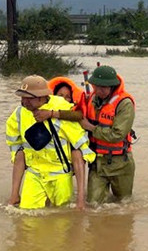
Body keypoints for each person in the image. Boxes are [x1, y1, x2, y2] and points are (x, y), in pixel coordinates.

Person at [6, 75, 96, 210]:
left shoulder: (62, 109)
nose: (24, 102)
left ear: (42, 97)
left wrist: (80, 200)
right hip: (34, 173)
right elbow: (17, 149)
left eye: (29, 98)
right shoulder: (19, 113)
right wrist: (14, 194)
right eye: (22, 97)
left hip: (60, 175)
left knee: (63, 216)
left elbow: (79, 153)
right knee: (26, 215)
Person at [78, 65, 136, 206]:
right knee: (93, 206)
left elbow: (117, 135)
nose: (99, 91)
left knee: (124, 204)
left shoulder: (124, 103)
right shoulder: (91, 99)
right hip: (97, 163)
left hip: (120, 163)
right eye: (96, 86)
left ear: (112, 86)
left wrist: (90, 127)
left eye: (103, 88)